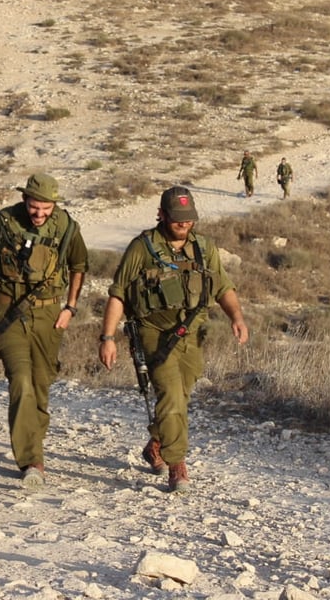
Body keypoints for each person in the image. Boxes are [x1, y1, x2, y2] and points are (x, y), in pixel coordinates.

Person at [97, 186, 248, 492]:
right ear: (162, 215)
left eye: (188, 218)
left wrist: (237, 317)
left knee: (183, 394)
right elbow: (118, 294)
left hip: (191, 334)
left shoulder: (203, 248)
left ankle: (156, 444)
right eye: (177, 218)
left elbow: (223, 287)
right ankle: (176, 465)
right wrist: (108, 336)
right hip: (154, 334)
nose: (183, 224)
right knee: (171, 396)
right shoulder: (142, 247)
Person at [0, 173, 88, 491]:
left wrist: (70, 307)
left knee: (40, 385)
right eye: (34, 207)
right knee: (20, 381)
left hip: (50, 316)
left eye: (45, 208)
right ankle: (31, 460)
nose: (39, 214)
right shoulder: (4, 223)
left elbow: (79, 266)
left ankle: (32, 438)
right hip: (9, 317)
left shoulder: (66, 226)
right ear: (25, 200)